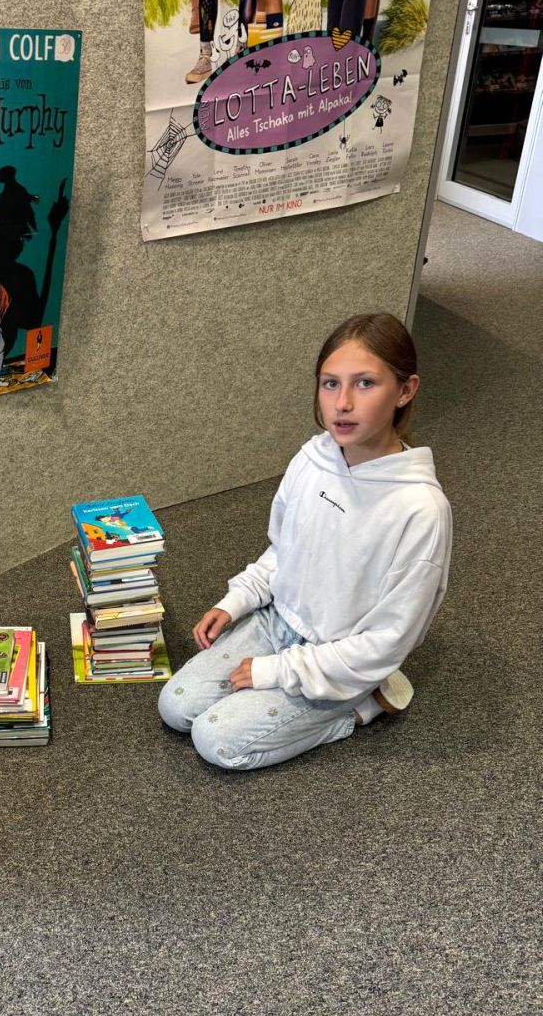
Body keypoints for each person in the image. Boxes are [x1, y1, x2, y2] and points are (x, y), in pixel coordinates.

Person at [158, 313, 452, 771]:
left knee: (217, 741)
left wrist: (275, 671)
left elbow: (389, 639)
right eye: (331, 384)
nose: (343, 403)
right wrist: (236, 602)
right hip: (277, 622)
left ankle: (362, 706)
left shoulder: (420, 510)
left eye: (365, 383)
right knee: (175, 707)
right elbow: (283, 550)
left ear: (405, 390)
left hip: (340, 661)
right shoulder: (311, 459)